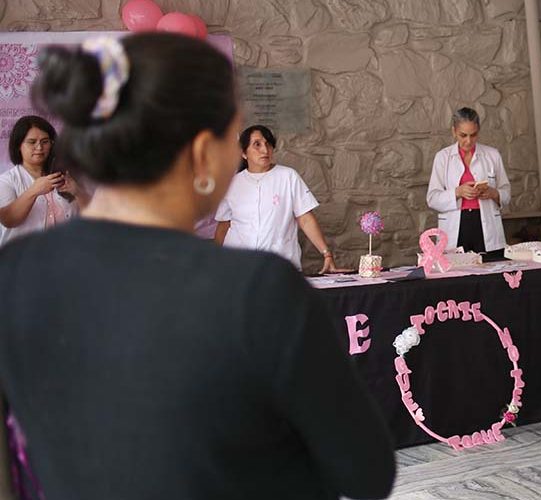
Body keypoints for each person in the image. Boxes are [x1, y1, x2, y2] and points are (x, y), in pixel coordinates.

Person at [0, 33, 395, 499]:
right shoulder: (257, 290)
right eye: (234, 138)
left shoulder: (15, 272)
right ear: (205, 151)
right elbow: (366, 471)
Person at [215, 124, 343, 273]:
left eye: (268, 144)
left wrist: (326, 254)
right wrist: (214, 262)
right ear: (244, 153)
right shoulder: (232, 184)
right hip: (238, 265)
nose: (265, 150)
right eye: (257, 144)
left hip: (280, 266)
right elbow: (223, 225)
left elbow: (305, 219)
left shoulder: (288, 177)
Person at [426, 107, 512, 260]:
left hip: (486, 226)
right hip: (456, 228)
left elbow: (506, 194)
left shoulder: (492, 155)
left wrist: (494, 193)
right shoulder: (442, 157)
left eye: (473, 135)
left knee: (493, 269)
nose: (468, 141)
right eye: (463, 135)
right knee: (457, 271)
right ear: (454, 131)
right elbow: (432, 198)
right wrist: (457, 192)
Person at [0, 115, 90, 247]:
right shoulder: (6, 180)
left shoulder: (68, 175)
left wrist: (78, 192)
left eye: (45, 141)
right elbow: (9, 220)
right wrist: (33, 191)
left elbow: (94, 216)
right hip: (23, 257)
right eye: (32, 142)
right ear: (18, 145)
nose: (39, 147)